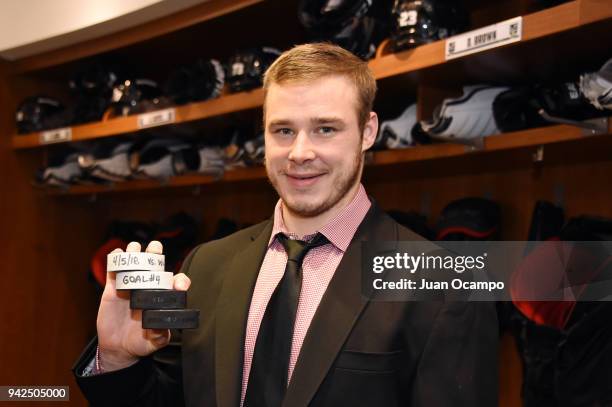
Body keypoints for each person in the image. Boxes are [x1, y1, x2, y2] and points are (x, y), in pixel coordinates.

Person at [73, 42, 498, 407]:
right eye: (282, 130)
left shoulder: (443, 286)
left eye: (325, 129)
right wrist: (117, 358)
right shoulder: (206, 266)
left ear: (368, 132)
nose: (299, 152)